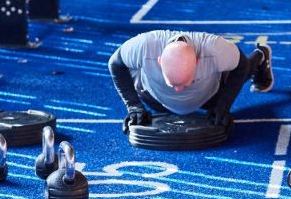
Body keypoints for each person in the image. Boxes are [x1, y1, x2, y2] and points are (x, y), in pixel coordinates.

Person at [108, 30, 274, 130]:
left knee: (237, 71)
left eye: (186, 83)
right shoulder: (143, 46)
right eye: (173, 84)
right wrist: (134, 107)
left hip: (209, 98)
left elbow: (241, 65)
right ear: (159, 61)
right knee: (133, 70)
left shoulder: (216, 50)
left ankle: (260, 56)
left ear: (198, 61)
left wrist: (223, 105)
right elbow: (115, 64)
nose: (179, 90)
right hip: (155, 100)